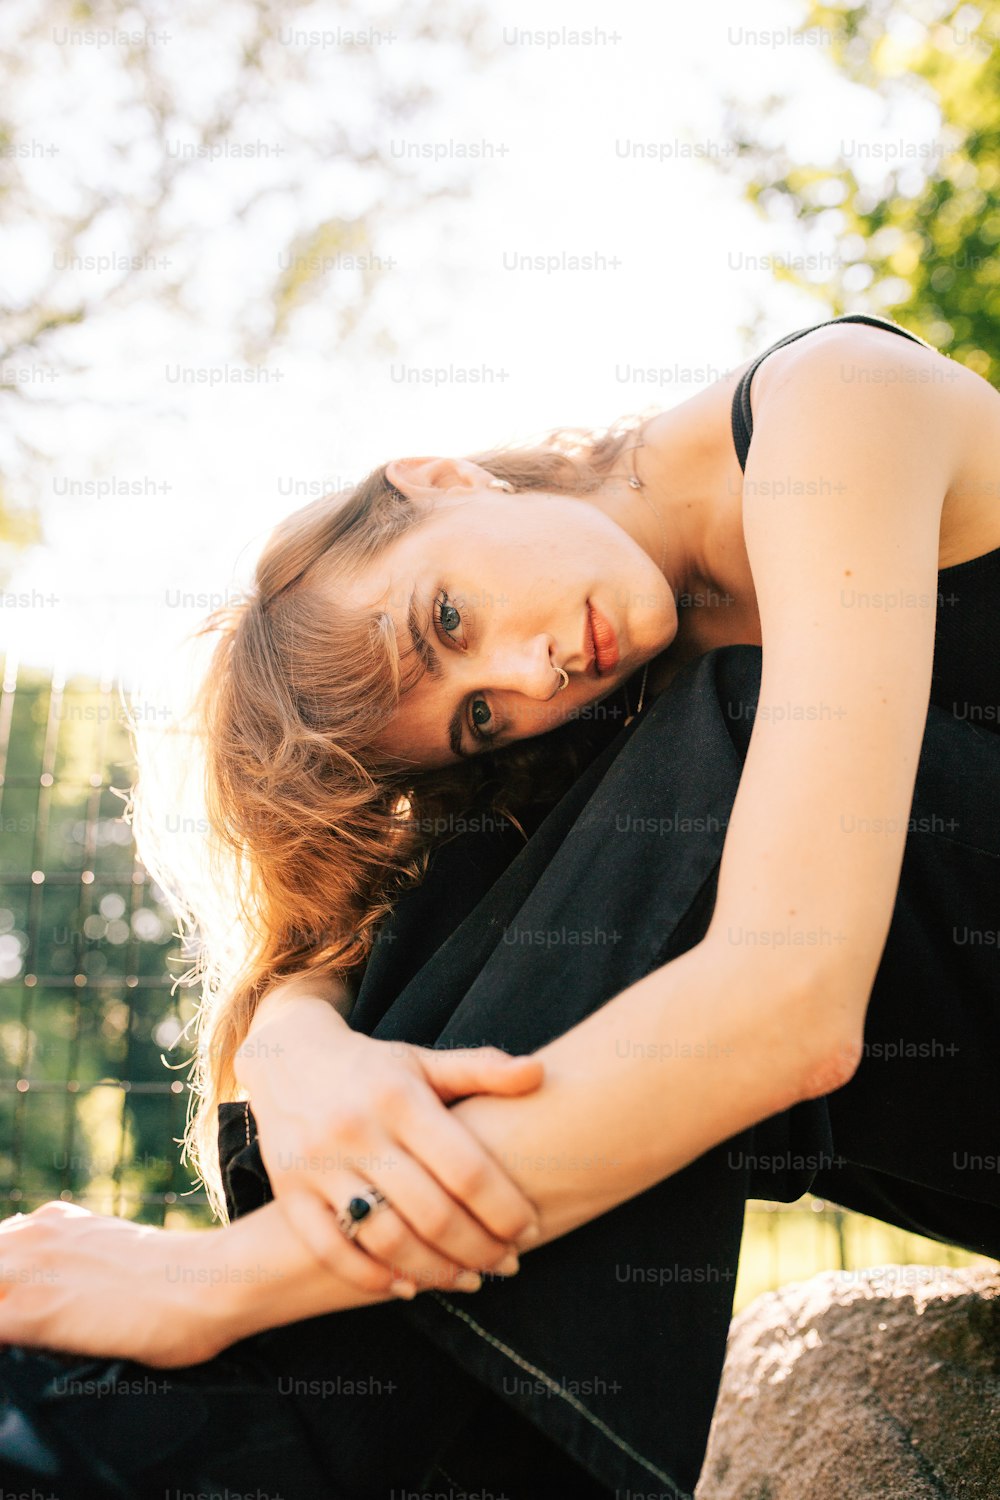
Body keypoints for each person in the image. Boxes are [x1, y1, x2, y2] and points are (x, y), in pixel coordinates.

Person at [1, 312, 998, 1500]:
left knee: (722, 735)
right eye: (477, 714)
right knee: (479, 845)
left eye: (445, 622)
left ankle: (241, 1434)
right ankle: (277, 1439)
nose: (529, 680)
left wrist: (226, 1281)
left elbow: (794, 1001)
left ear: (434, 478)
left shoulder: (838, 400)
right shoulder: (613, 693)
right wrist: (300, 1037)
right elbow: (352, 930)